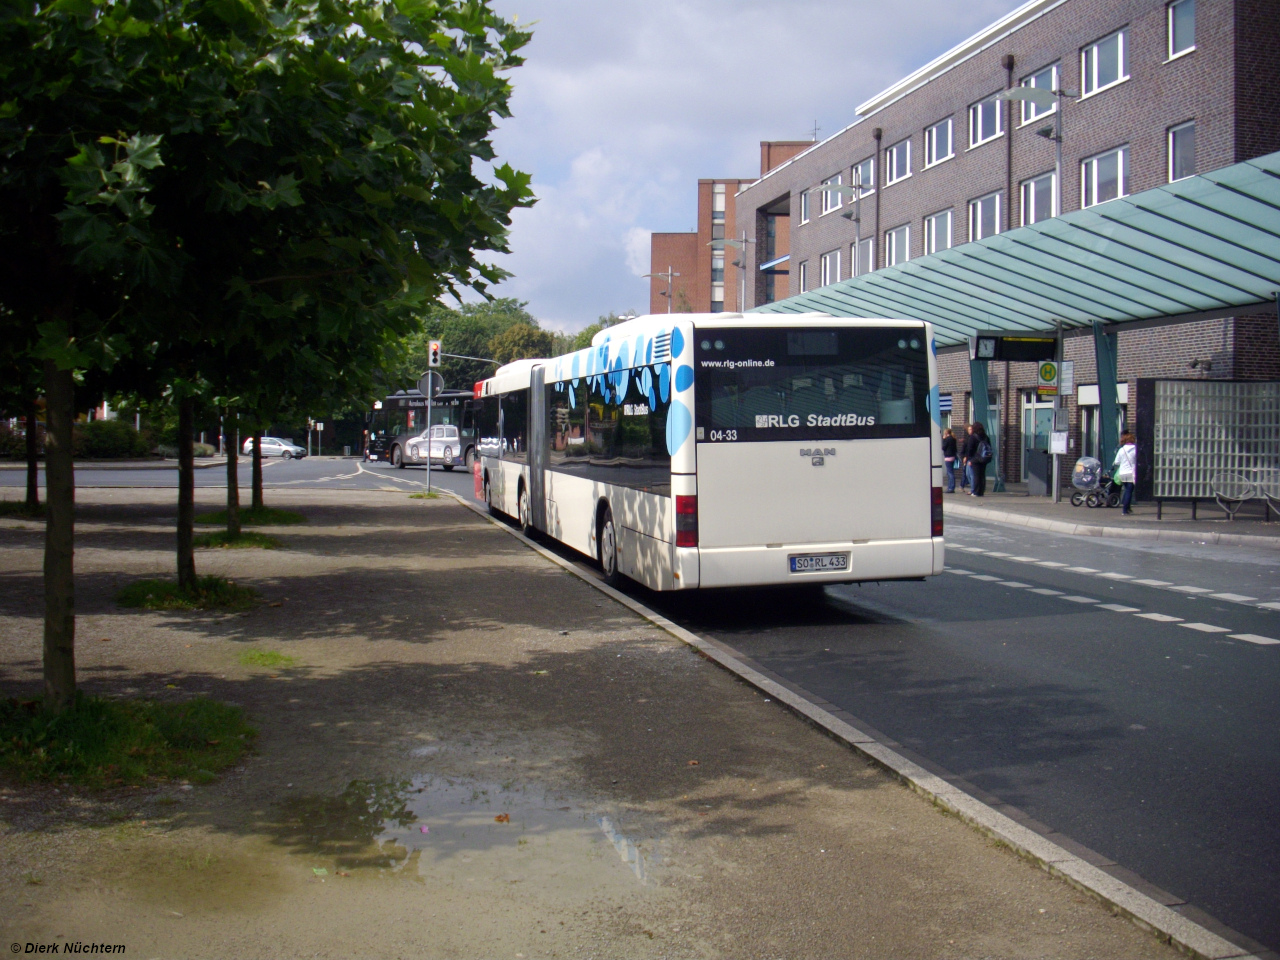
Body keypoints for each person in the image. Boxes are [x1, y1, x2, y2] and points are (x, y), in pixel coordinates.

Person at [963, 422, 991, 497]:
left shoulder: (973, 437)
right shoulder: (986, 437)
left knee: (976, 475)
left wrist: (970, 459)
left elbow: (970, 449)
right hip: (984, 458)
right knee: (982, 475)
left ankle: (975, 492)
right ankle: (981, 491)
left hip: (975, 459)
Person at [1113, 431, 1137, 515]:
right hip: (1131, 472)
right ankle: (1125, 509)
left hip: (1122, 473)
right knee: (1129, 491)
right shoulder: (1135, 449)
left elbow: (1116, 462)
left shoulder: (1121, 450)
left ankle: (1128, 508)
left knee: (1127, 489)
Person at [942, 428, 958, 492]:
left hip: (948, 457)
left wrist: (944, 439)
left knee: (950, 473)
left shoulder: (947, 439)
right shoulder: (953, 439)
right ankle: (951, 487)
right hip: (953, 456)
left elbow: (943, 447)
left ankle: (951, 487)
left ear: (946, 433)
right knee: (951, 472)